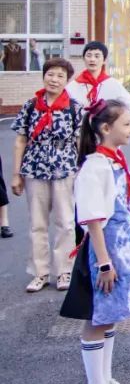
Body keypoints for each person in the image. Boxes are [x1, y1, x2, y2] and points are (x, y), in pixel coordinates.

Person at [60, 99, 130, 384]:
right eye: (126, 124)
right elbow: (94, 220)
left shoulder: (114, 160)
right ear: (106, 129)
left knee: (110, 317)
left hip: (119, 249)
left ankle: (106, 381)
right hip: (105, 252)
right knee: (98, 317)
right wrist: (105, 262)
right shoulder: (95, 167)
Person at [11, 58, 81, 293]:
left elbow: (80, 141)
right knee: (37, 223)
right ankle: (40, 272)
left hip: (64, 169)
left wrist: (83, 171)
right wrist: (16, 174)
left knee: (65, 222)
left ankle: (64, 270)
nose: (54, 80)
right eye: (51, 74)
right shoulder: (31, 106)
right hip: (34, 168)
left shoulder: (74, 107)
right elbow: (20, 140)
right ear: (43, 76)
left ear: (67, 81)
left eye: (60, 76)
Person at [66, 41, 130, 112]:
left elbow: (129, 105)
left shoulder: (112, 84)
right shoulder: (73, 86)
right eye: (89, 56)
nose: (92, 59)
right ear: (83, 59)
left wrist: (113, 115)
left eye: (97, 56)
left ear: (104, 60)